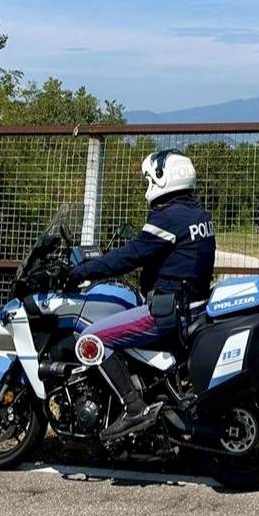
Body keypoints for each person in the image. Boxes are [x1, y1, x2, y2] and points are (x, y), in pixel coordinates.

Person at [67, 149, 216, 441]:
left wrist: (81, 271)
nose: (147, 185)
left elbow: (129, 256)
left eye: (149, 179)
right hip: (193, 307)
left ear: (163, 179)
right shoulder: (199, 215)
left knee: (93, 338)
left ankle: (133, 408)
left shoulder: (168, 217)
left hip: (167, 313)